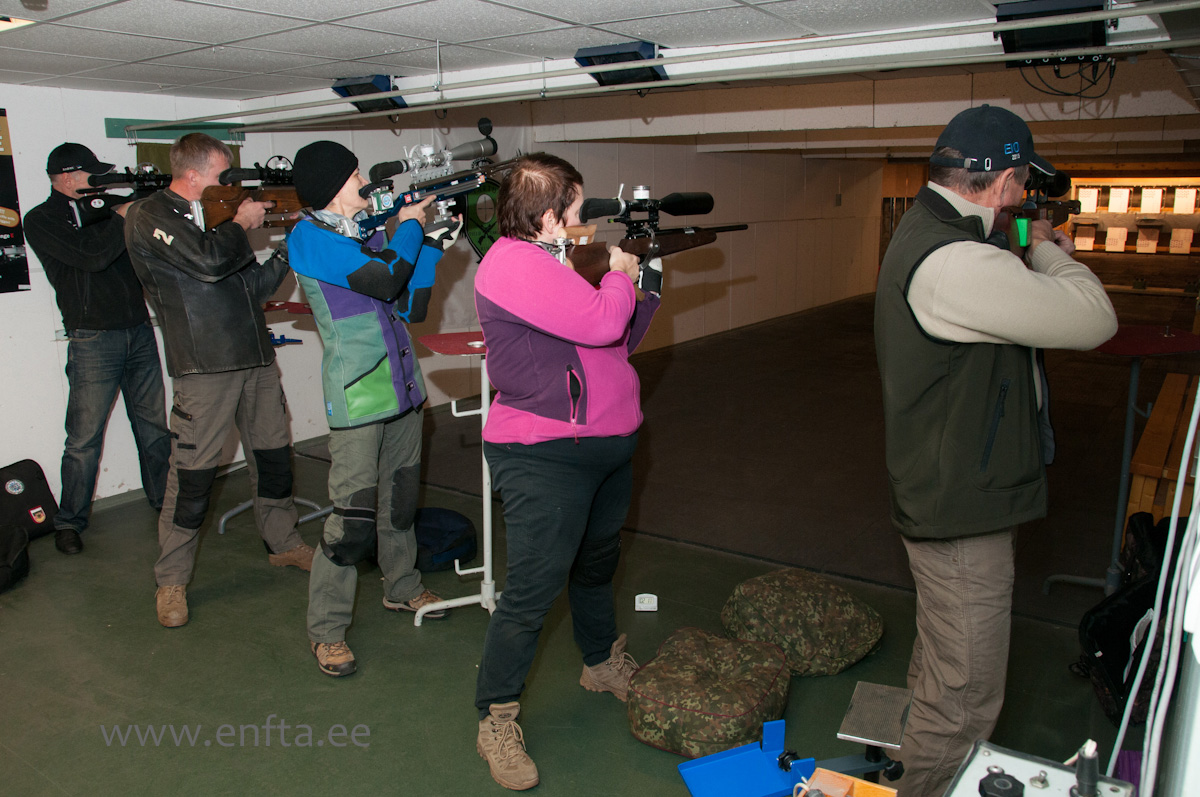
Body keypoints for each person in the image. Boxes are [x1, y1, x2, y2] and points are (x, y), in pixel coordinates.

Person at [874, 105, 1118, 797]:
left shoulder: (939, 233)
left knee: (942, 667)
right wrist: (1045, 245)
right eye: (1020, 187)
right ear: (1006, 178)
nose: (1022, 199)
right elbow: (1094, 317)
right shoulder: (954, 260)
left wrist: (1018, 231)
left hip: (951, 489)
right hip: (961, 510)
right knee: (964, 702)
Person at [472, 153, 660, 791]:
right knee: (531, 590)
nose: (585, 221)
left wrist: (645, 276)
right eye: (577, 209)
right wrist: (618, 276)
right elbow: (603, 317)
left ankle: (600, 663)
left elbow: (619, 339)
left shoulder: (555, 260)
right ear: (551, 215)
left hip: (607, 439)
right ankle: (494, 716)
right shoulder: (510, 264)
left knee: (596, 564)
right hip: (542, 451)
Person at [124, 133, 314, 629]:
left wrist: (290, 249)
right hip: (204, 367)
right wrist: (241, 222)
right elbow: (209, 265)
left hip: (255, 358)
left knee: (273, 458)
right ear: (192, 175)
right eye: (221, 176)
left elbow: (250, 287)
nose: (228, 186)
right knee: (191, 480)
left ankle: (284, 543)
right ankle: (171, 580)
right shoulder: (152, 216)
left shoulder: (212, 223)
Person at [287, 141, 457, 677]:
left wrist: (428, 244)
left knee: (400, 501)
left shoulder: (368, 235)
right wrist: (409, 225)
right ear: (334, 187)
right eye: (355, 173)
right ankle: (327, 631)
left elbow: (410, 303)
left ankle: (401, 587)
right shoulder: (308, 239)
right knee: (351, 520)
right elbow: (383, 279)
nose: (364, 179)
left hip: (403, 390)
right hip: (359, 396)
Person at [23, 143, 171, 556]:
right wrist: (122, 215)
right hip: (93, 339)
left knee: (154, 429)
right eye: (91, 174)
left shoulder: (108, 207)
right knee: (84, 440)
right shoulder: (42, 220)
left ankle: (165, 503)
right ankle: (69, 522)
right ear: (66, 178)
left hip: (138, 330)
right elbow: (92, 256)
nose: (99, 181)